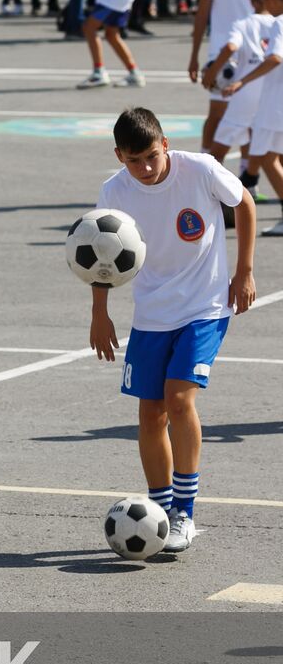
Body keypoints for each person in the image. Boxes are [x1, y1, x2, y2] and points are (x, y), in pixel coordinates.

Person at [89, 108, 254, 555]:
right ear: (118, 155)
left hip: (205, 305)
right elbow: (102, 253)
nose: (144, 169)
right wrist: (99, 312)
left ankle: (184, 512)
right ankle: (159, 509)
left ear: (164, 144)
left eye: (150, 157)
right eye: (133, 160)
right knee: (150, 415)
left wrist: (244, 272)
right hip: (151, 315)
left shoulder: (198, 169)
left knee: (179, 400)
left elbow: (246, 204)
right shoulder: (114, 191)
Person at [189, 0, 274, 153]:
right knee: (217, 112)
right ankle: (207, 163)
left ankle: (250, 178)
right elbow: (202, 15)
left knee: (251, 116)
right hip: (221, 50)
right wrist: (194, 55)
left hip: (254, 52)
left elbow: (273, 15)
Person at [209, 0, 283, 211]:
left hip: (266, 99)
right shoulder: (271, 22)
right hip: (270, 97)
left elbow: (273, 57)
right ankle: (249, 183)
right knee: (265, 150)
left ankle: (211, 193)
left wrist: (236, 79)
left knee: (264, 156)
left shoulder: (275, 23)